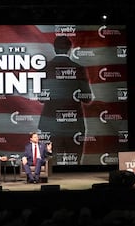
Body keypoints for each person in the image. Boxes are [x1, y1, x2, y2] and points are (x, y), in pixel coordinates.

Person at [37, 35, 93, 163]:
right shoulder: (79, 68)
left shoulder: (44, 68)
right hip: (73, 126)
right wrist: (73, 94)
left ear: (54, 48)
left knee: (51, 165)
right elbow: (87, 98)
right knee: (74, 166)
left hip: (50, 125)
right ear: (70, 49)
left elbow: (41, 98)